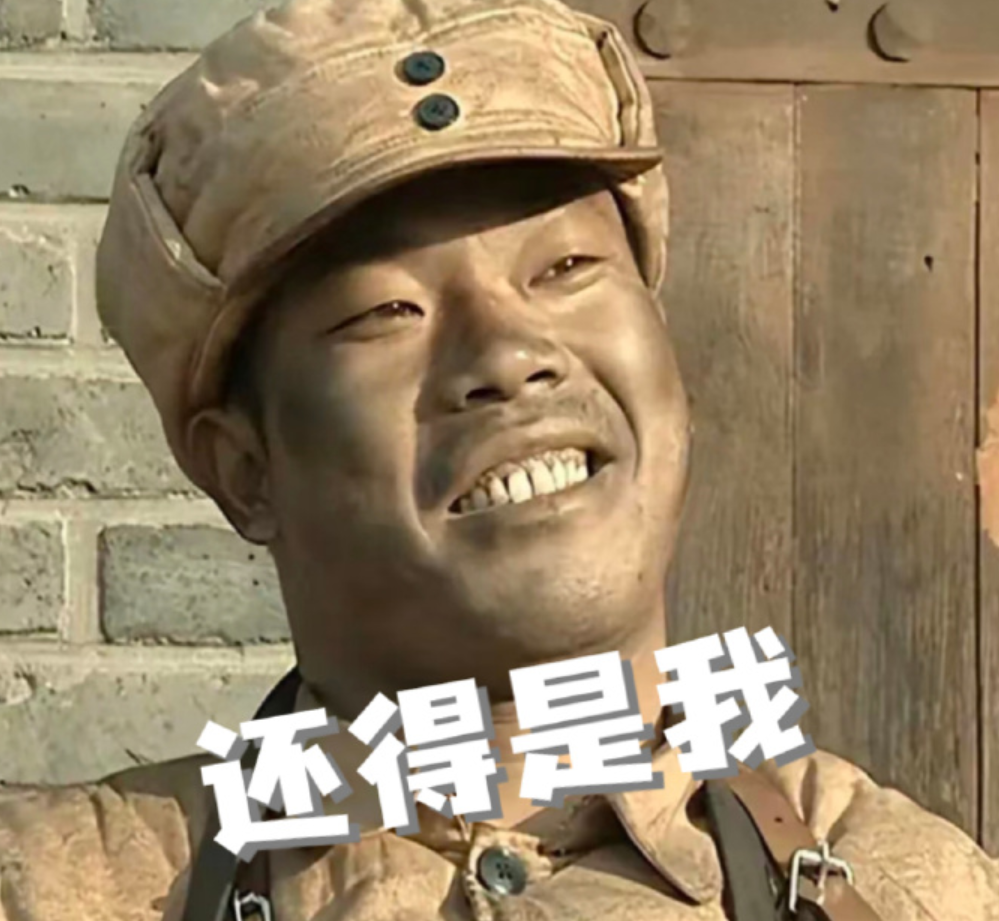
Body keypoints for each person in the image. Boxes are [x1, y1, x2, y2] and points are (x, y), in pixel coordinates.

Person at [1, 0, 997, 919]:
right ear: (245, 469)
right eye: (386, 311)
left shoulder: (915, 888)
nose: (510, 355)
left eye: (567, 267)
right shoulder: (66, 887)